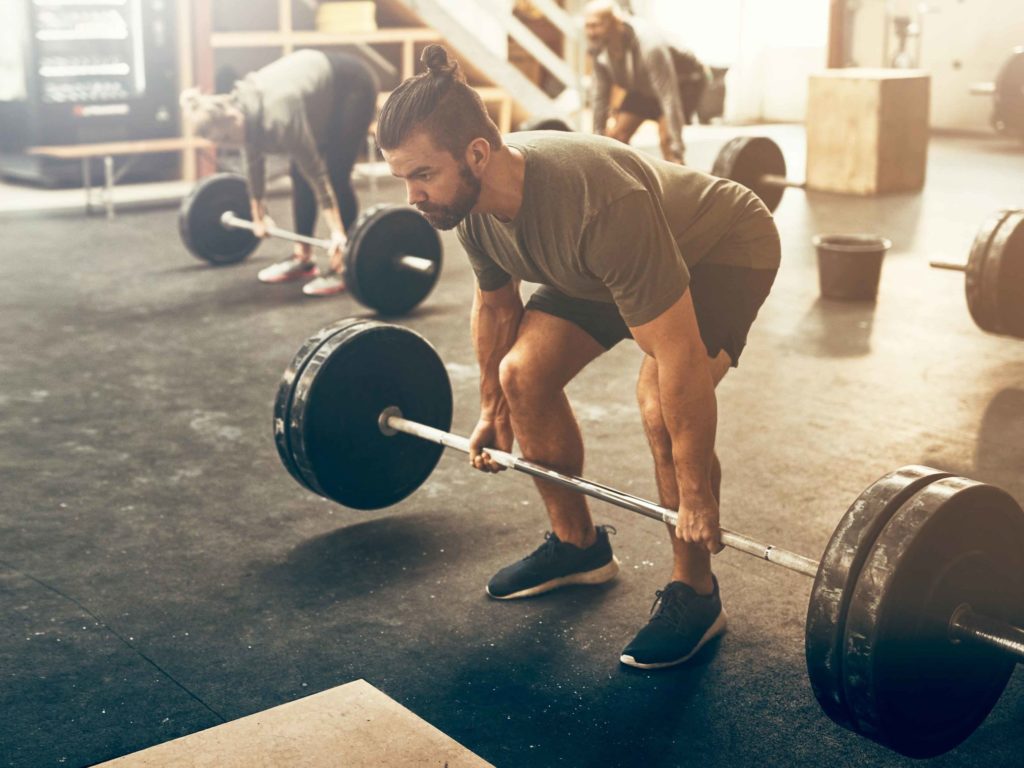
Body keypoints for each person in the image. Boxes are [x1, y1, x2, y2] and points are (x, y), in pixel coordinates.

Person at [376, 45, 780, 669]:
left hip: (719, 246)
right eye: (405, 178)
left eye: (422, 175)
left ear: (476, 154)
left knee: (656, 401)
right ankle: (578, 546)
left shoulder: (595, 203)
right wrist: (491, 406)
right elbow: (497, 307)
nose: (413, 195)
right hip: (601, 267)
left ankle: (696, 590)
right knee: (521, 374)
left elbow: (676, 355)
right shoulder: (473, 210)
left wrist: (696, 495)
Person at [180, 49, 378, 296]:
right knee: (297, 174)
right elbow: (253, 165)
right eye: (224, 143)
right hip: (319, 94)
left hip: (352, 86)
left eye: (228, 138)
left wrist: (338, 233)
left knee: (334, 174)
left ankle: (346, 264)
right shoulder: (242, 109)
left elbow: (316, 173)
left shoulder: (278, 114)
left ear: (232, 118)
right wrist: (258, 215)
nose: (231, 144)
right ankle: (303, 258)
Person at [584, 0, 707, 165]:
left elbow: (668, 97)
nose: (591, 33)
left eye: (596, 26)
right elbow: (599, 98)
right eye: (588, 26)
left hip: (683, 82)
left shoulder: (649, 45)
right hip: (644, 85)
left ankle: (679, 183)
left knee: (667, 141)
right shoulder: (599, 49)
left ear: (616, 23)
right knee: (615, 139)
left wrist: (676, 147)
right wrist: (596, 147)